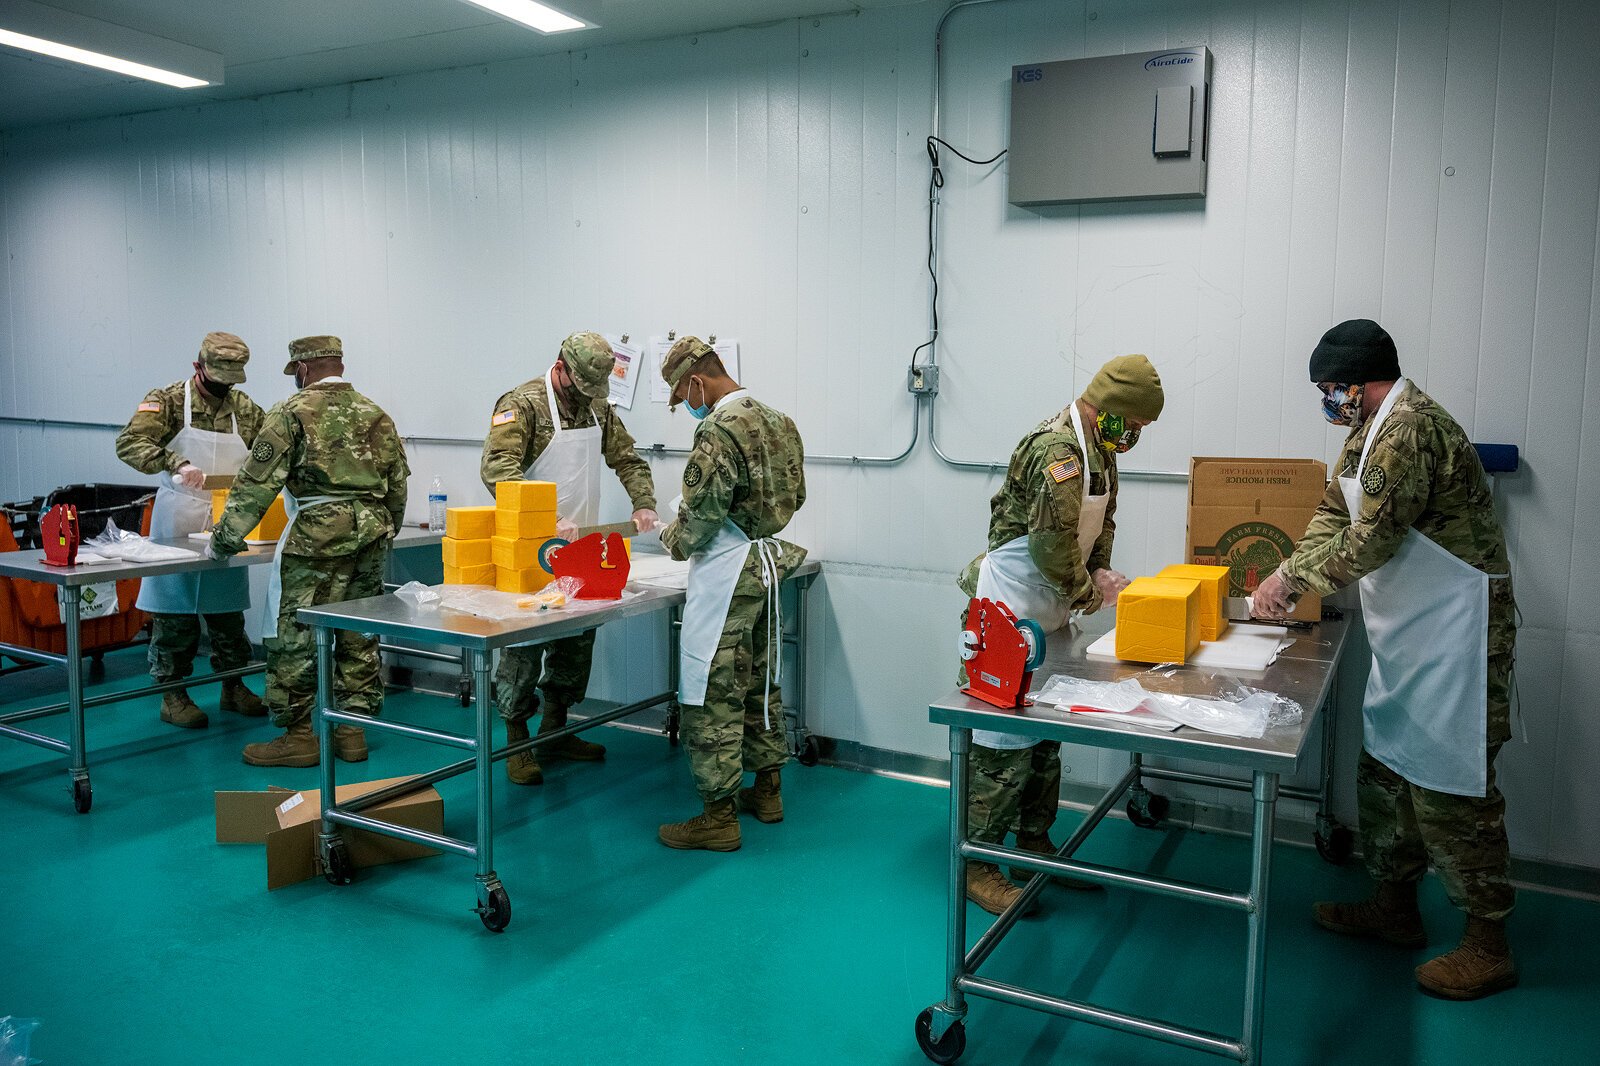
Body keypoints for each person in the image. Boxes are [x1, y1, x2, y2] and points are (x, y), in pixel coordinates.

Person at [1252, 318, 1519, 1000]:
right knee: (1388, 769)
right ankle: (1394, 907)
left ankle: (1489, 944)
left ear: (1360, 383)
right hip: (1411, 630)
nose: (1325, 400)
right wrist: (1288, 568)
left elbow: (1371, 540)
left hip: (1458, 632)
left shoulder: (1409, 429)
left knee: (1451, 787)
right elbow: (1332, 518)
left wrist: (1293, 583)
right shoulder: (1365, 432)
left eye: (1329, 389)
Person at [955, 354, 1163, 915]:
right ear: (1109, 412)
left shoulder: (1103, 452)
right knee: (1002, 743)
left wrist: (1097, 571)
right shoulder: (1057, 452)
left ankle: (1032, 846)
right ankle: (976, 862)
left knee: (1045, 733)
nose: (1138, 435)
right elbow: (1048, 545)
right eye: (1136, 425)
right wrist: (1091, 593)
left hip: (1049, 606)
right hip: (1010, 604)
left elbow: (1103, 523)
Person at [208, 336, 409, 767]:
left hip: (316, 538)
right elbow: (398, 485)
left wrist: (223, 539)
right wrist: (384, 529)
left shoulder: (290, 412)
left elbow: (255, 485)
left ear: (302, 369)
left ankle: (300, 736)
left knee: (294, 635)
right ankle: (352, 731)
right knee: (359, 631)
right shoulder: (377, 413)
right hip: (371, 533)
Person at [480, 331, 659, 785]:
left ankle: (556, 730)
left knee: (576, 644)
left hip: (580, 549)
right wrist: (547, 517)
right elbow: (498, 472)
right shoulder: (521, 405)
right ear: (560, 368)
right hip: (532, 547)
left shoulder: (597, 406)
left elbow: (628, 459)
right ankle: (518, 740)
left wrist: (643, 502)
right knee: (523, 648)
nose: (586, 399)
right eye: (579, 388)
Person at [655, 337, 806, 852]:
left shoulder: (717, 429)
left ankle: (717, 816)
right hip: (766, 567)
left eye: (682, 395)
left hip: (727, 574)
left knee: (714, 688)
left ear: (697, 380)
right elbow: (797, 494)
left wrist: (668, 536)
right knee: (762, 678)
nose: (685, 405)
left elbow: (698, 521)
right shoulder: (779, 421)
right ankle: (767, 792)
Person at [115, 331, 267, 728]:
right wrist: (175, 463)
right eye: (216, 379)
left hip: (224, 518)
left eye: (230, 381)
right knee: (176, 613)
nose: (223, 388)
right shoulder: (166, 401)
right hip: (178, 517)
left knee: (228, 611)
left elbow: (270, 449)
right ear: (198, 367)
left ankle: (234, 687)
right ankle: (173, 693)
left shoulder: (245, 409)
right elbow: (129, 443)